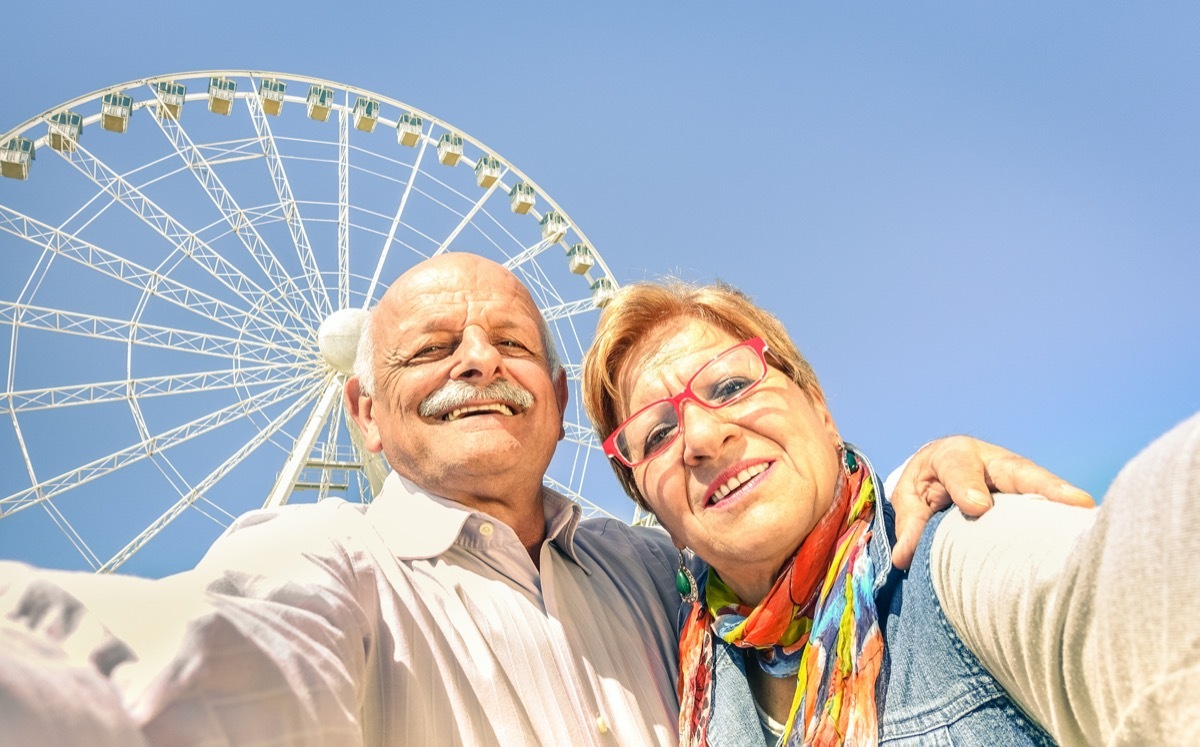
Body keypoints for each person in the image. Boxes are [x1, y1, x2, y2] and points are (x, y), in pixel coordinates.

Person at [0, 254, 1089, 746]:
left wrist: (920, 480)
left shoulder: (665, 575)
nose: (478, 360)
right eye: (432, 349)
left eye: (511, 341)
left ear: (561, 406)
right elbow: (200, 675)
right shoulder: (325, 562)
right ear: (364, 414)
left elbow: (802, 538)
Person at [581, 278, 1197, 746]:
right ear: (649, 506)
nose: (701, 438)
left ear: (820, 409)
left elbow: (1142, 587)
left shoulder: (954, 550)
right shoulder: (685, 674)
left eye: (730, 386)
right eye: (656, 434)